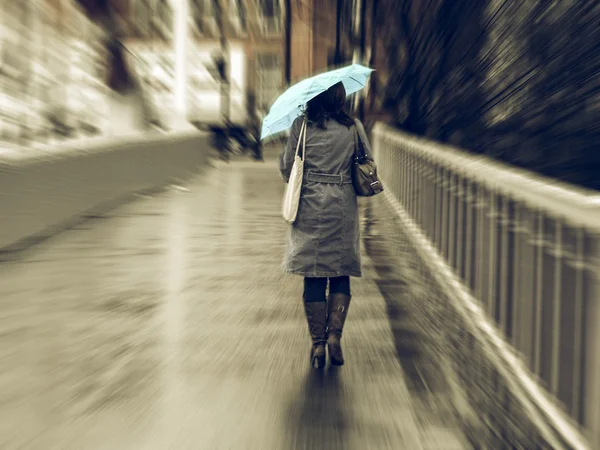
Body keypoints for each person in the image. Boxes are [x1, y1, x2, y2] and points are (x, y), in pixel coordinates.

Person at [279, 82, 374, 369]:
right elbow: (367, 161)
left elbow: (287, 168)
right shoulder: (353, 127)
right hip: (342, 205)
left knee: (314, 274)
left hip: (309, 204)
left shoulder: (302, 126)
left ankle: (318, 344)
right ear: (339, 98)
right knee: (340, 270)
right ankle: (335, 335)